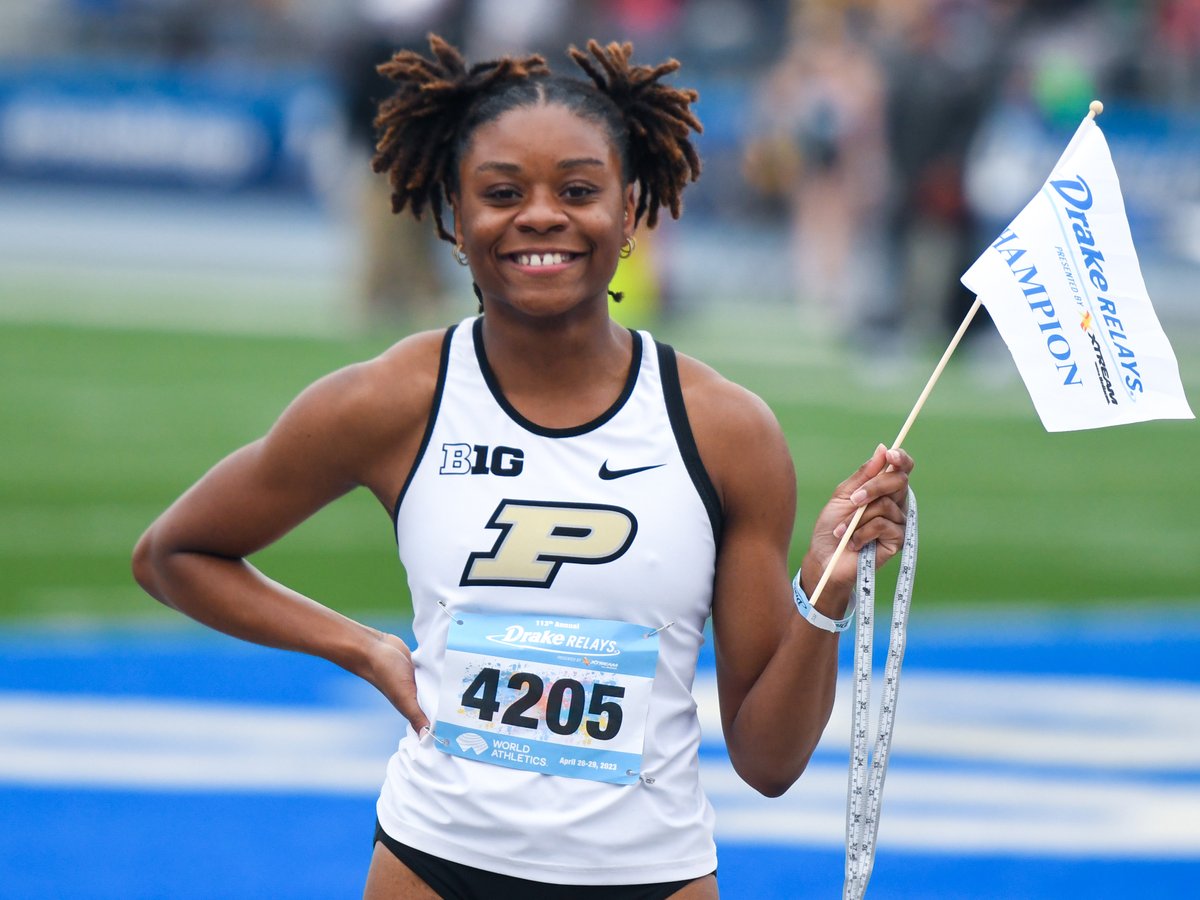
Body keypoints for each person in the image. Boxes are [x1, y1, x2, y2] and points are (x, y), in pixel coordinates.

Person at [131, 34, 914, 900]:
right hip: (431, 863)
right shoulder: (391, 400)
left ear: (629, 211)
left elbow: (768, 761)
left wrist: (824, 586)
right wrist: (362, 648)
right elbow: (173, 554)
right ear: (453, 218)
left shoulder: (726, 431)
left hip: (651, 876)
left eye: (578, 191)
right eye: (502, 193)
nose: (540, 216)